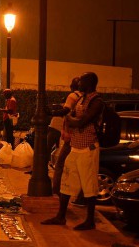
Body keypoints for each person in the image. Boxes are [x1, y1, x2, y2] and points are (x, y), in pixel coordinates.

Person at [41, 72, 103, 230]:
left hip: (88, 148)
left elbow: (82, 122)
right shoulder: (81, 98)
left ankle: (90, 220)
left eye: (81, 80)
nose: (78, 83)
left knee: (89, 184)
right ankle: (60, 216)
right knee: (66, 182)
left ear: (88, 83)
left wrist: (69, 118)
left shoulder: (97, 101)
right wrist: (52, 112)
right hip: (75, 147)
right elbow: (69, 114)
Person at [49, 77, 81, 195]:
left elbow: (65, 111)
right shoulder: (86, 98)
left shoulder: (73, 96)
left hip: (70, 136)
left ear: (72, 86)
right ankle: (79, 196)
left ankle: (56, 191)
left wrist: (50, 112)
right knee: (79, 168)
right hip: (80, 137)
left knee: (60, 165)